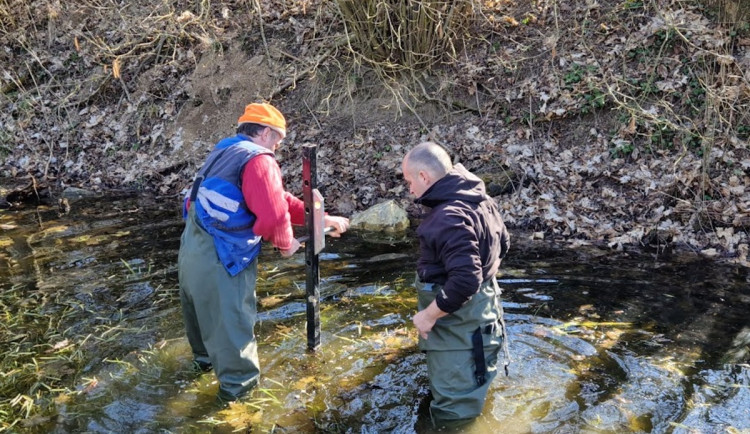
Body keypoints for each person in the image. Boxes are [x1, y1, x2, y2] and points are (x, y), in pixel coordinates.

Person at [178, 102, 349, 402]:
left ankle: (196, 383)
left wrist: (321, 218)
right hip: (223, 259)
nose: (278, 148)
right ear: (267, 133)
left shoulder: (227, 150)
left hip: (192, 251)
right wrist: (286, 244)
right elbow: (271, 216)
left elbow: (275, 197)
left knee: (204, 340)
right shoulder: (260, 160)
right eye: (278, 141)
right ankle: (238, 408)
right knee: (234, 342)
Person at [401, 142, 511, 428]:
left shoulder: (449, 217)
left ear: (424, 177)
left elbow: (464, 281)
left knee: (455, 413)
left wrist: (428, 316)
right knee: (477, 384)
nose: (410, 189)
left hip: (461, 329)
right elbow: (504, 243)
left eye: (409, 181)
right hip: (485, 314)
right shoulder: (480, 198)